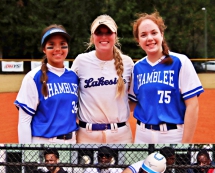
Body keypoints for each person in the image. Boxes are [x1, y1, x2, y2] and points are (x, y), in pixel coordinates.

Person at [129, 11, 204, 143]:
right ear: (138, 40)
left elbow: (192, 106)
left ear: (162, 35)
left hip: (173, 135)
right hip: (142, 135)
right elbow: (133, 103)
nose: (150, 38)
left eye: (154, 32)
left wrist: (185, 145)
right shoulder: (137, 67)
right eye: (143, 35)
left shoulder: (180, 61)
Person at [71, 14, 134, 144]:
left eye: (108, 32)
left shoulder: (127, 63)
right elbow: (70, 95)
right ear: (92, 36)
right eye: (99, 33)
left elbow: (134, 99)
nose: (104, 37)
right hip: (87, 135)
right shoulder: (81, 61)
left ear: (115, 35)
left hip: (120, 135)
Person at [14, 24, 79, 144]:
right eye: (51, 45)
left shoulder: (74, 77)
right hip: (44, 143)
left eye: (62, 44)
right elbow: (24, 121)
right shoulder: (33, 77)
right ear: (44, 49)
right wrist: (28, 156)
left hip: (71, 142)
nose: (58, 49)